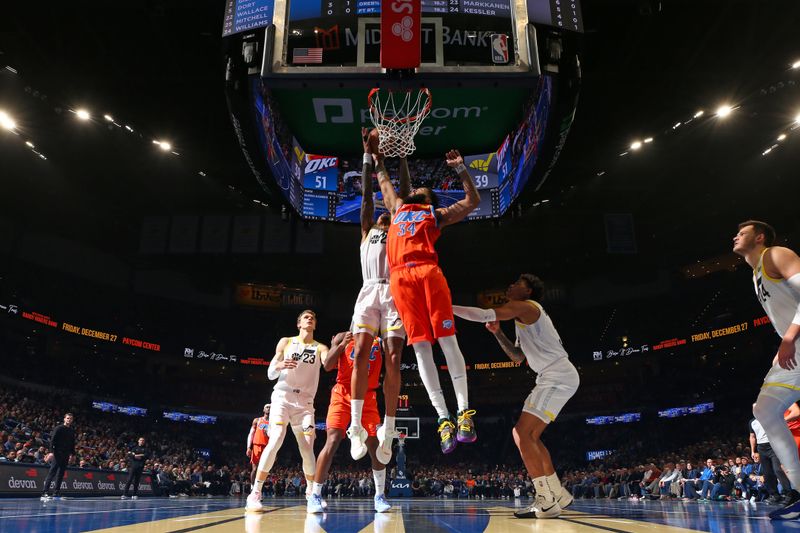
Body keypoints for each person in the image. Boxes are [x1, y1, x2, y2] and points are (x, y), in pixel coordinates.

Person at [372, 129, 480, 453]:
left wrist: (461, 168)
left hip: (427, 272)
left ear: (428, 198)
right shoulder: (397, 210)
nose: (416, 188)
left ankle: (464, 412)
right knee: (420, 349)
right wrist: (377, 157)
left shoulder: (435, 214)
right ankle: (443, 418)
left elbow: (472, 201)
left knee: (447, 341)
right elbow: (386, 183)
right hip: (401, 279)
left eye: (422, 189)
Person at [451, 273, 579, 518]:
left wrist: (445, 307)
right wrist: (498, 333)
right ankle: (557, 493)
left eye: (518, 284)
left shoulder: (527, 307)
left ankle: (545, 500)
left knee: (520, 433)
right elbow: (518, 357)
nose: (511, 285)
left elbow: (484, 314)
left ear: (528, 291)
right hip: (550, 376)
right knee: (531, 436)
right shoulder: (522, 318)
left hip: (557, 375)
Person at [733, 220, 800, 519]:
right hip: (794, 348)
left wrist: (788, 338)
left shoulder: (776, 254)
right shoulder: (755, 273)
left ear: (759, 237)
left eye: (743, 232)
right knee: (765, 410)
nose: (736, 236)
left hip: (795, 342)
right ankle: (798, 491)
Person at [348, 128, 408, 464]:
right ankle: (356, 427)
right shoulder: (368, 229)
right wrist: (368, 158)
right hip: (369, 290)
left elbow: (401, 197)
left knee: (394, 359)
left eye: (389, 214)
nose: (384, 215)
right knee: (359, 353)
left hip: (394, 292)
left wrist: (399, 158)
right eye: (382, 215)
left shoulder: (399, 229)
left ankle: (387, 427)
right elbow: (369, 198)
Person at [246, 310, 331, 512]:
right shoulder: (286, 342)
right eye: (306, 317)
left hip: (305, 403)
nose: (310, 319)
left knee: (307, 447)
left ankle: (312, 493)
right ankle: (255, 492)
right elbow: (270, 373)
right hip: (282, 397)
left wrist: (340, 346)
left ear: (315, 325)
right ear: (299, 323)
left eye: (313, 317)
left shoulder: (320, 347)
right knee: (276, 439)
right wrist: (280, 365)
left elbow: (329, 363)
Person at [307, 331, 391, 514]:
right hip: (343, 393)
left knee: (374, 443)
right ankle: (315, 495)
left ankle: (379, 496)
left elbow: (392, 353)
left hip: (368, 395)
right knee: (333, 439)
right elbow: (328, 365)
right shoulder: (342, 336)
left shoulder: (379, 340)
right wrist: (340, 345)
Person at [750, 415, 791, 504]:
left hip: (773, 445)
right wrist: (753, 451)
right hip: (761, 447)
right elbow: (752, 437)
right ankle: (775, 495)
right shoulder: (752, 422)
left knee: (778, 470)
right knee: (767, 473)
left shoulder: (770, 417)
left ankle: (788, 493)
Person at [41, 412, 75, 501]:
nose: (69, 420)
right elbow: (52, 440)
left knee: (61, 474)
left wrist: (73, 454)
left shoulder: (71, 430)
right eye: (67, 418)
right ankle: (45, 492)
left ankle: (56, 492)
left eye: (70, 419)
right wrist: (51, 452)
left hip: (66, 454)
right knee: (52, 472)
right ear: (64, 419)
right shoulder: (59, 428)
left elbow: (72, 444)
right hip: (57, 453)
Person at [247, 404, 270, 484]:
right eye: (267, 407)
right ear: (264, 410)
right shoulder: (257, 420)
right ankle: (252, 487)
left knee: (264, 470)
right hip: (257, 446)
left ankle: (259, 488)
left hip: (267, 447)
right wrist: (248, 447)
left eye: (270, 407)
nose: (269, 408)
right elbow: (251, 433)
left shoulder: (273, 423)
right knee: (255, 469)